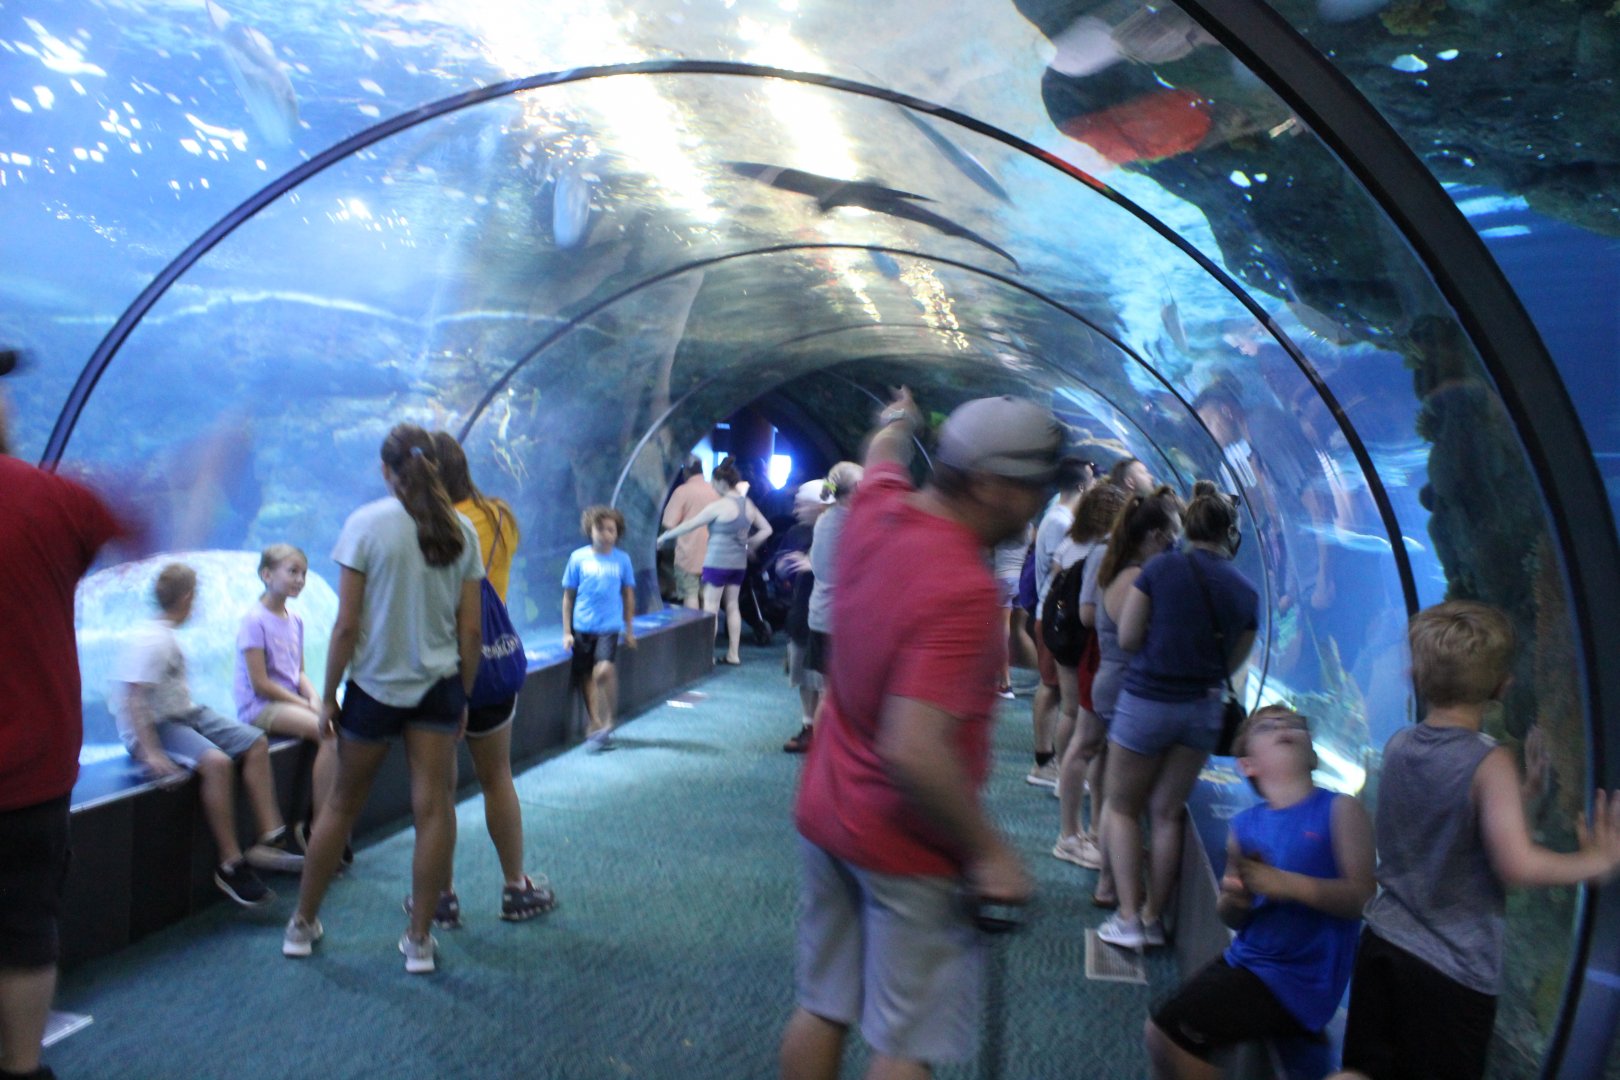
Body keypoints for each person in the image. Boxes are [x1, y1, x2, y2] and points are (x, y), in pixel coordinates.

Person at [779, 391, 1061, 1080]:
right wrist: (990, 853)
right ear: (992, 484)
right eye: (1033, 488)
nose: (1038, 507)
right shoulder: (963, 588)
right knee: (905, 1041)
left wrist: (896, 420)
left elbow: (880, 457)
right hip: (905, 845)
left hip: (827, 809)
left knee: (822, 1004)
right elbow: (914, 748)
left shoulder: (875, 510)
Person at [1340, 601, 1620, 1080]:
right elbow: (1514, 864)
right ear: (1501, 687)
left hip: (1382, 945)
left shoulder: (1400, 745)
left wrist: (1525, 793)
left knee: (1364, 1072)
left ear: (1415, 675)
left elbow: (1446, 825)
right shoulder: (1488, 763)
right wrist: (1596, 859)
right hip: (1447, 971)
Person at [282, 424, 483, 975]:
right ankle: (419, 940)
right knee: (434, 808)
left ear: (384, 469)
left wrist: (327, 695)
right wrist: (462, 693)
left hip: (372, 689)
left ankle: (302, 924)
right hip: (438, 689)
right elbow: (471, 631)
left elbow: (346, 625)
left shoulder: (365, 526)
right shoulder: (461, 529)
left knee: (342, 805)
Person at [0, 400, 131, 1080]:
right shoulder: (50, 497)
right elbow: (135, 528)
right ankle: (23, 1067)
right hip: (32, 773)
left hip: (34, 772)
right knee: (25, 927)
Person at [1143, 705, 1375, 1079]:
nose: (1284, 726)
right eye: (1268, 726)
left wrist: (1289, 885)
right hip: (1250, 961)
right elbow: (1230, 915)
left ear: (1313, 754)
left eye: (1295, 725)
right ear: (1247, 764)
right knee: (1162, 1030)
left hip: (1299, 982)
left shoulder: (1340, 809)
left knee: (1170, 1034)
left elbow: (1363, 897)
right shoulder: (1245, 826)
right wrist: (1235, 900)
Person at [1099, 481, 1257, 949]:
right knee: (1167, 813)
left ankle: (1127, 918)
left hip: (1147, 700)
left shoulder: (1163, 568)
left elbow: (1127, 637)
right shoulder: (1246, 591)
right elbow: (1234, 662)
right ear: (1230, 535)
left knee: (1123, 807)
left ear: (1187, 525)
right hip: (1202, 710)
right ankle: (1152, 918)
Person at [419, 432, 555, 924]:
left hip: (440, 666)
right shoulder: (500, 516)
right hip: (493, 662)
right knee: (498, 777)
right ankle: (516, 888)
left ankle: (440, 896)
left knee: (437, 790)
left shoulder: (426, 528)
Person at [118, 563, 305, 908]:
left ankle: (269, 838)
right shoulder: (151, 639)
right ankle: (231, 864)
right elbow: (133, 697)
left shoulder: (163, 632)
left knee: (254, 741)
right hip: (158, 725)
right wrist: (151, 752)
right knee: (217, 763)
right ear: (187, 598)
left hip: (184, 711)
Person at [1074, 486, 1183, 905]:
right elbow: (1139, 637)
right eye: (1171, 539)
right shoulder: (1140, 579)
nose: (1174, 548)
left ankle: (1110, 879)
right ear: (1154, 536)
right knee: (1125, 801)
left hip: (1109, 683)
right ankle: (1109, 882)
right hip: (1125, 689)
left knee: (1115, 792)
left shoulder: (1116, 569)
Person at [233, 544, 346, 865]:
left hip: (288, 700)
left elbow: (297, 672)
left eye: (304, 573)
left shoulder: (294, 619)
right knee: (328, 733)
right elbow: (261, 684)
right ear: (266, 575)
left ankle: (320, 824)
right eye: (292, 571)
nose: (299, 579)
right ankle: (319, 828)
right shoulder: (254, 620)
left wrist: (317, 699)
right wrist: (307, 706)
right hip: (260, 706)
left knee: (334, 723)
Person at [1051, 481, 1129, 869]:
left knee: (1093, 746)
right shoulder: (1102, 551)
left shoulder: (1093, 547)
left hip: (1095, 654)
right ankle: (1068, 834)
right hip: (1093, 653)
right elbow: (1087, 613)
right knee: (1083, 742)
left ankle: (1094, 831)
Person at [657, 457, 771, 666]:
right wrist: (749, 544)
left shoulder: (720, 506)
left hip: (717, 562)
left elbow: (689, 525)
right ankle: (733, 654)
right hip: (738, 564)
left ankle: (706, 654)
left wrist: (665, 537)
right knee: (732, 606)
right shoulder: (748, 505)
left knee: (711, 607)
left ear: (720, 482)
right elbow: (767, 529)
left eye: (713, 483)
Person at [1027, 456, 1094, 788]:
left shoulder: (1059, 517)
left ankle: (1049, 759)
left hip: (1053, 616)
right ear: (1082, 485)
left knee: (1054, 689)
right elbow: (1059, 572)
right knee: (1051, 689)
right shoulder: (1059, 520)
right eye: (1091, 480)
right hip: (1052, 617)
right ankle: (1042, 762)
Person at [562, 505, 638, 752]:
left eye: (611, 530)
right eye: (600, 528)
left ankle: (609, 717)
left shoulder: (622, 560)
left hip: (609, 626)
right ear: (589, 530)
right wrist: (566, 632)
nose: (606, 534)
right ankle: (595, 721)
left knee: (603, 670)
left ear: (617, 533)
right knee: (586, 674)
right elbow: (568, 596)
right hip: (582, 626)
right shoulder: (578, 558)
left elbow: (628, 595)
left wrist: (629, 629)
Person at [776, 480, 833, 754]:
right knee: (802, 674)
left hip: (825, 616)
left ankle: (825, 734)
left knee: (823, 678)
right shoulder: (797, 532)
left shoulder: (836, 530)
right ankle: (808, 726)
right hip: (801, 613)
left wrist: (812, 563)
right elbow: (780, 564)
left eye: (802, 503)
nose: (796, 508)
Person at [804, 462, 863, 698]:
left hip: (820, 615)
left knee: (828, 694)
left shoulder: (824, 519)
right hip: (841, 620)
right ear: (859, 487)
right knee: (839, 697)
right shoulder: (854, 523)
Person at [661, 455, 719, 609]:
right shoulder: (716, 490)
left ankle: (693, 633)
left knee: (690, 595)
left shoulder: (682, 491)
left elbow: (668, 524)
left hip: (688, 556)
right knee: (710, 600)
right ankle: (710, 633)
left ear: (686, 471)